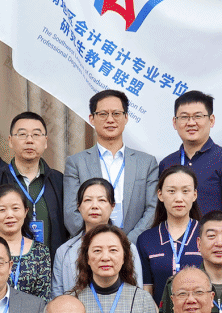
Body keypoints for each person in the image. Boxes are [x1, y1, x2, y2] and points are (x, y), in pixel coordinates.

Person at [62, 91, 159, 243]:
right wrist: (97, 243)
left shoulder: (147, 163)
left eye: (116, 113)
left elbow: (153, 210)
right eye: (103, 114)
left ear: (126, 117)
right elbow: (71, 212)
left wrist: (126, 244)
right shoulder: (76, 163)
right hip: (90, 247)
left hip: (135, 247)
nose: (110, 120)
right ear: (92, 118)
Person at [0, 112, 67, 254]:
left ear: (45, 142)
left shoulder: (59, 181)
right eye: (22, 134)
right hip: (6, 263)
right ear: (10, 141)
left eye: (36, 134)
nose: (29, 140)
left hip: (50, 263)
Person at [159, 90, 222, 216]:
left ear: (211, 120)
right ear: (174, 122)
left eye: (198, 116)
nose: (191, 123)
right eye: (184, 117)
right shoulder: (167, 163)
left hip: (214, 230)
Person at [52, 179, 141, 289]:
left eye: (102, 200)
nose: (94, 206)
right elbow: (57, 295)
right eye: (88, 200)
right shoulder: (63, 252)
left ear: (112, 206)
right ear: (79, 206)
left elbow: (137, 292)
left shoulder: (129, 248)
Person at [135, 163, 203, 306]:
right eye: (171, 191)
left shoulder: (207, 234)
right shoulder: (146, 239)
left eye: (185, 191)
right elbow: (147, 290)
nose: (179, 198)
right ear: (160, 194)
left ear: (194, 195)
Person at [0, 185, 52, 299]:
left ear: (26, 211)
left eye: (15, 208)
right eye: (2, 210)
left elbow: (43, 298)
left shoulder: (40, 252)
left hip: (32, 310)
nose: (9, 215)